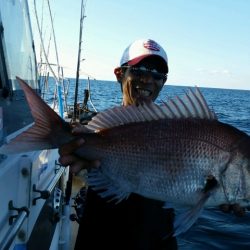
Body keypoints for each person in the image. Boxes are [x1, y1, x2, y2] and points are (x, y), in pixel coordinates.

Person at [59, 39, 178, 250]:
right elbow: (76, 156)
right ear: (119, 74)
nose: (149, 79)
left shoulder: (175, 134)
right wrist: (75, 159)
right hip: (103, 237)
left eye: (158, 74)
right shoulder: (95, 130)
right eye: (139, 69)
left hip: (158, 240)